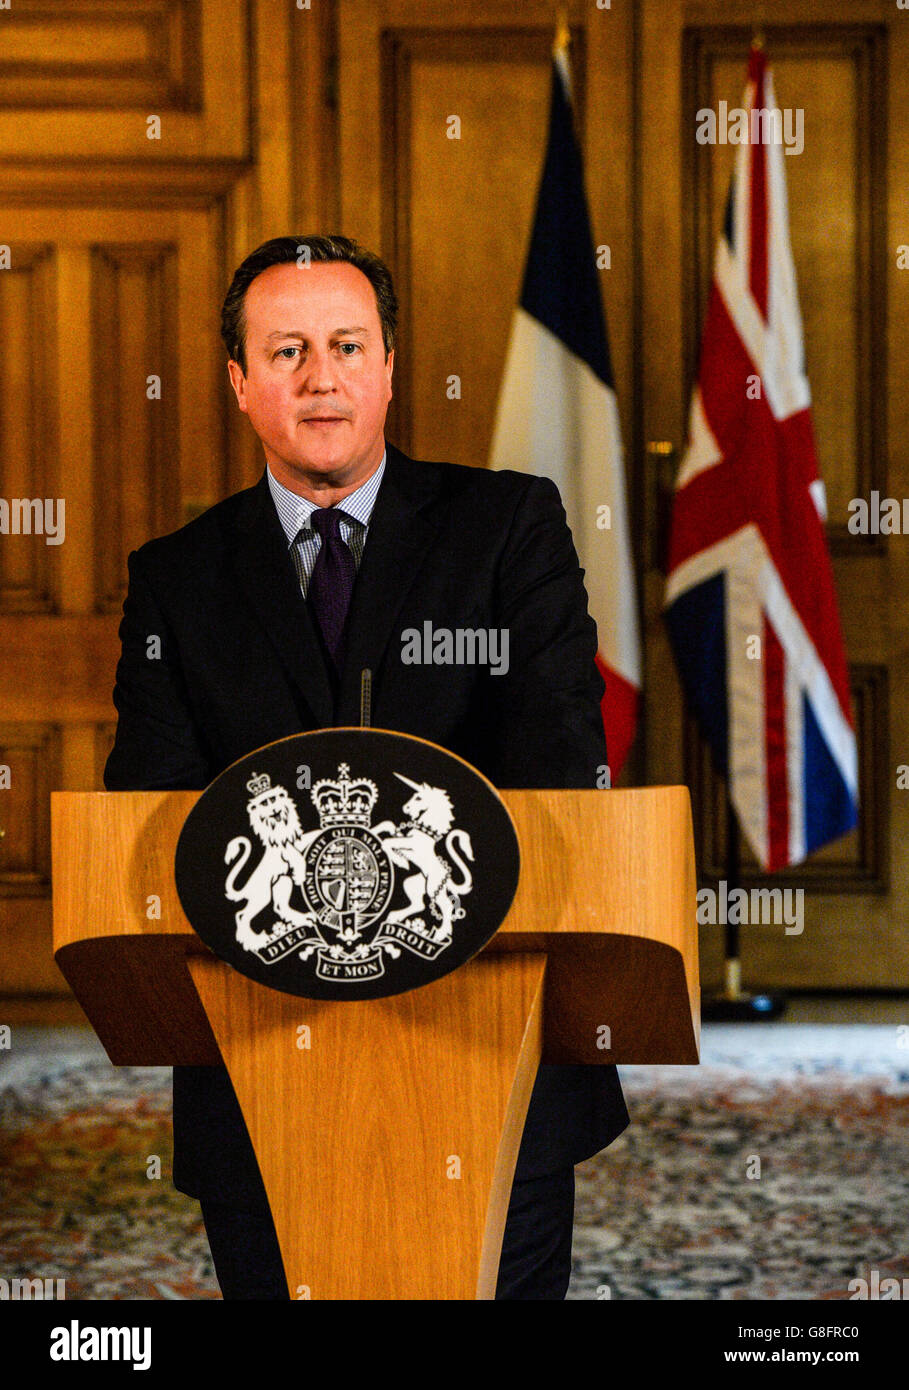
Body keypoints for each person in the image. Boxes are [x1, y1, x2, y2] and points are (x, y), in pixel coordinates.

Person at [104, 234, 629, 1300]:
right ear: (241, 383)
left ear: (389, 365)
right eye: (287, 350)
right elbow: (149, 805)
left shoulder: (507, 525)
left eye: (346, 344)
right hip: (258, 1063)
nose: (321, 375)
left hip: (492, 1042)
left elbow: (560, 753)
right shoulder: (176, 578)